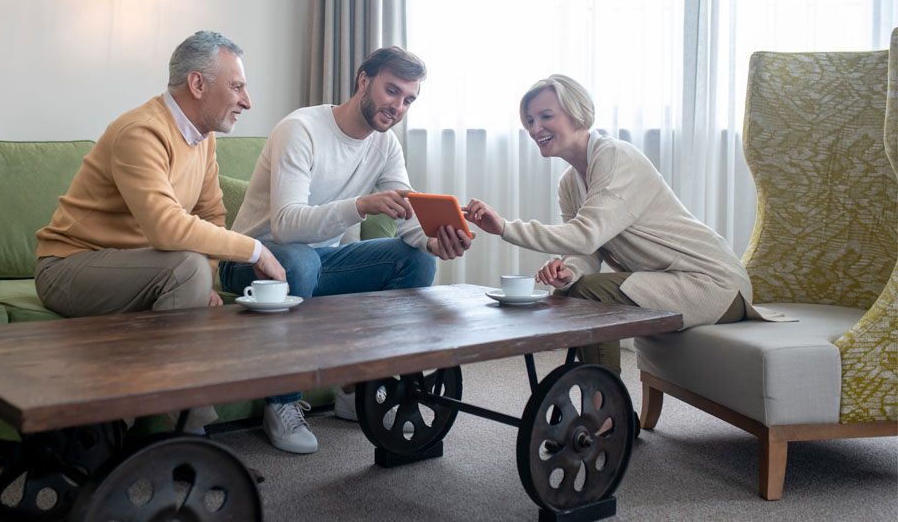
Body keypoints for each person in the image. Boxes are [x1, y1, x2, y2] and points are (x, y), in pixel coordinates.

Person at [219, 46, 473, 454]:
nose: (398, 106)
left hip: (319, 264)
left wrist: (432, 241)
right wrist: (360, 206)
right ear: (363, 80)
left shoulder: (385, 145)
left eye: (409, 99)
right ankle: (281, 402)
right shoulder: (300, 129)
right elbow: (285, 226)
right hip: (253, 258)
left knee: (416, 259)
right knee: (300, 259)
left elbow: (408, 218)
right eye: (392, 91)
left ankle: (354, 388)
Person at [35, 30, 287, 433]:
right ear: (198, 84)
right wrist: (254, 250)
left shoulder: (203, 139)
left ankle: (118, 424)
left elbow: (211, 213)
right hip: (68, 267)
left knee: (190, 269)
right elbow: (166, 228)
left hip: (139, 270)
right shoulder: (141, 131)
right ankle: (189, 437)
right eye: (237, 86)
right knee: (185, 265)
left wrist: (204, 280)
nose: (247, 100)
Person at [464, 74, 784, 376]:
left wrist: (505, 227)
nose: (535, 129)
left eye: (546, 116)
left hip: (713, 284)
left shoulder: (615, 157)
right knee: (569, 289)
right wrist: (569, 271)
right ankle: (602, 400)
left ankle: (605, 406)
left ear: (576, 113)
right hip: (669, 280)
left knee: (589, 294)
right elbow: (587, 251)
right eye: (530, 121)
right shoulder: (569, 183)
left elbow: (585, 235)